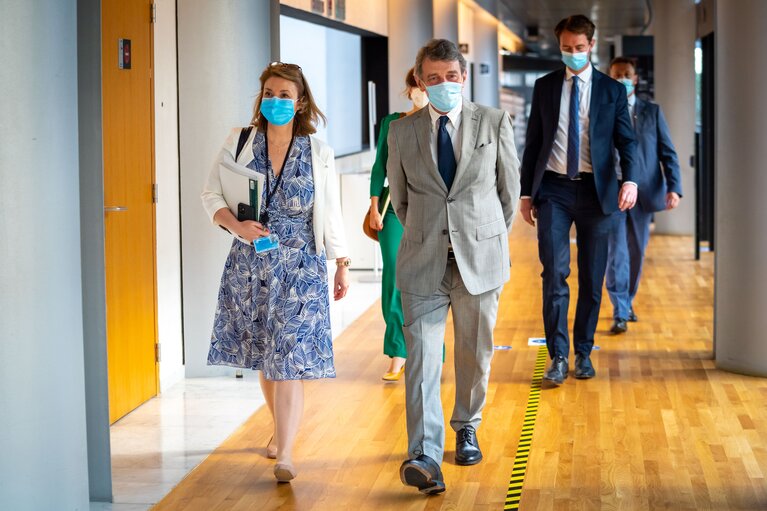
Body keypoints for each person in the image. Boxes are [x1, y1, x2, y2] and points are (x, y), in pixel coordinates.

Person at [201, 62, 350, 483]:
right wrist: (235, 225)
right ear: (260, 98)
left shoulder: (318, 151)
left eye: (286, 95)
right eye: (270, 93)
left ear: (300, 101)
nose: (277, 101)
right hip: (251, 261)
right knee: (269, 357)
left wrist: (341, 262)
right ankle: (279, 428)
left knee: (289, 358)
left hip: (302, 265)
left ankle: (286, 453)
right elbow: (210, 192)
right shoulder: (240, 140)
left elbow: (331, 210)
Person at [387, 39, 520, 495]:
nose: (443, 84)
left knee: (473, 351)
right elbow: (401, 201)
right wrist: (432, 233)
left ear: (463, 77)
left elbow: (507, 193)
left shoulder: (495, 122)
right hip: (423, 261)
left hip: (479, 261)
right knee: (422, 358)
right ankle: (424, 453)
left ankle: (466, 425)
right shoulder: (402, 132)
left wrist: (479, 237)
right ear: (420, 81)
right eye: (433, 77)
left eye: (451, 75)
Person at [519, 15, 638, 386]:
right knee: (554, 273)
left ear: (591, 45)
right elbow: (534, 142)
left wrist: (630, 180)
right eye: (566, 49)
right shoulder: (545, 86)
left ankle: (583, 352)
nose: (572, 54)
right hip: (553, 188)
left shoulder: (611, 91)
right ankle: (557, 356)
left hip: (597, 191)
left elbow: (626, 141)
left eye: (579, 48)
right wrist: (527, 193)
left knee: (591, 277)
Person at [605, 57, 683, 334]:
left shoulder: (652, 111)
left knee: (636, 252)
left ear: (636, 79)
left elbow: (667, 151)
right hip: (611, 191)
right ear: (609, 77)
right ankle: (620, 309)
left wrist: (674, 187)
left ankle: (627, 300)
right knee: (617, 252)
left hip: (645, 190)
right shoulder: (601, 110)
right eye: (617, 75)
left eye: (627, 74)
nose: (622, 78)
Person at [368, 67, 429, 381]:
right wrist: (374, 206)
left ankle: (426, 350)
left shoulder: (441, 122)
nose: (423, 91)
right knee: (394, 275)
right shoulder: (392, 123)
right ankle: (396, 351)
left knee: (426, 282)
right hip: (393, 209)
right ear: (410, 89)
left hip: (429, 210)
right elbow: (379, 166)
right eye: (418, 85)